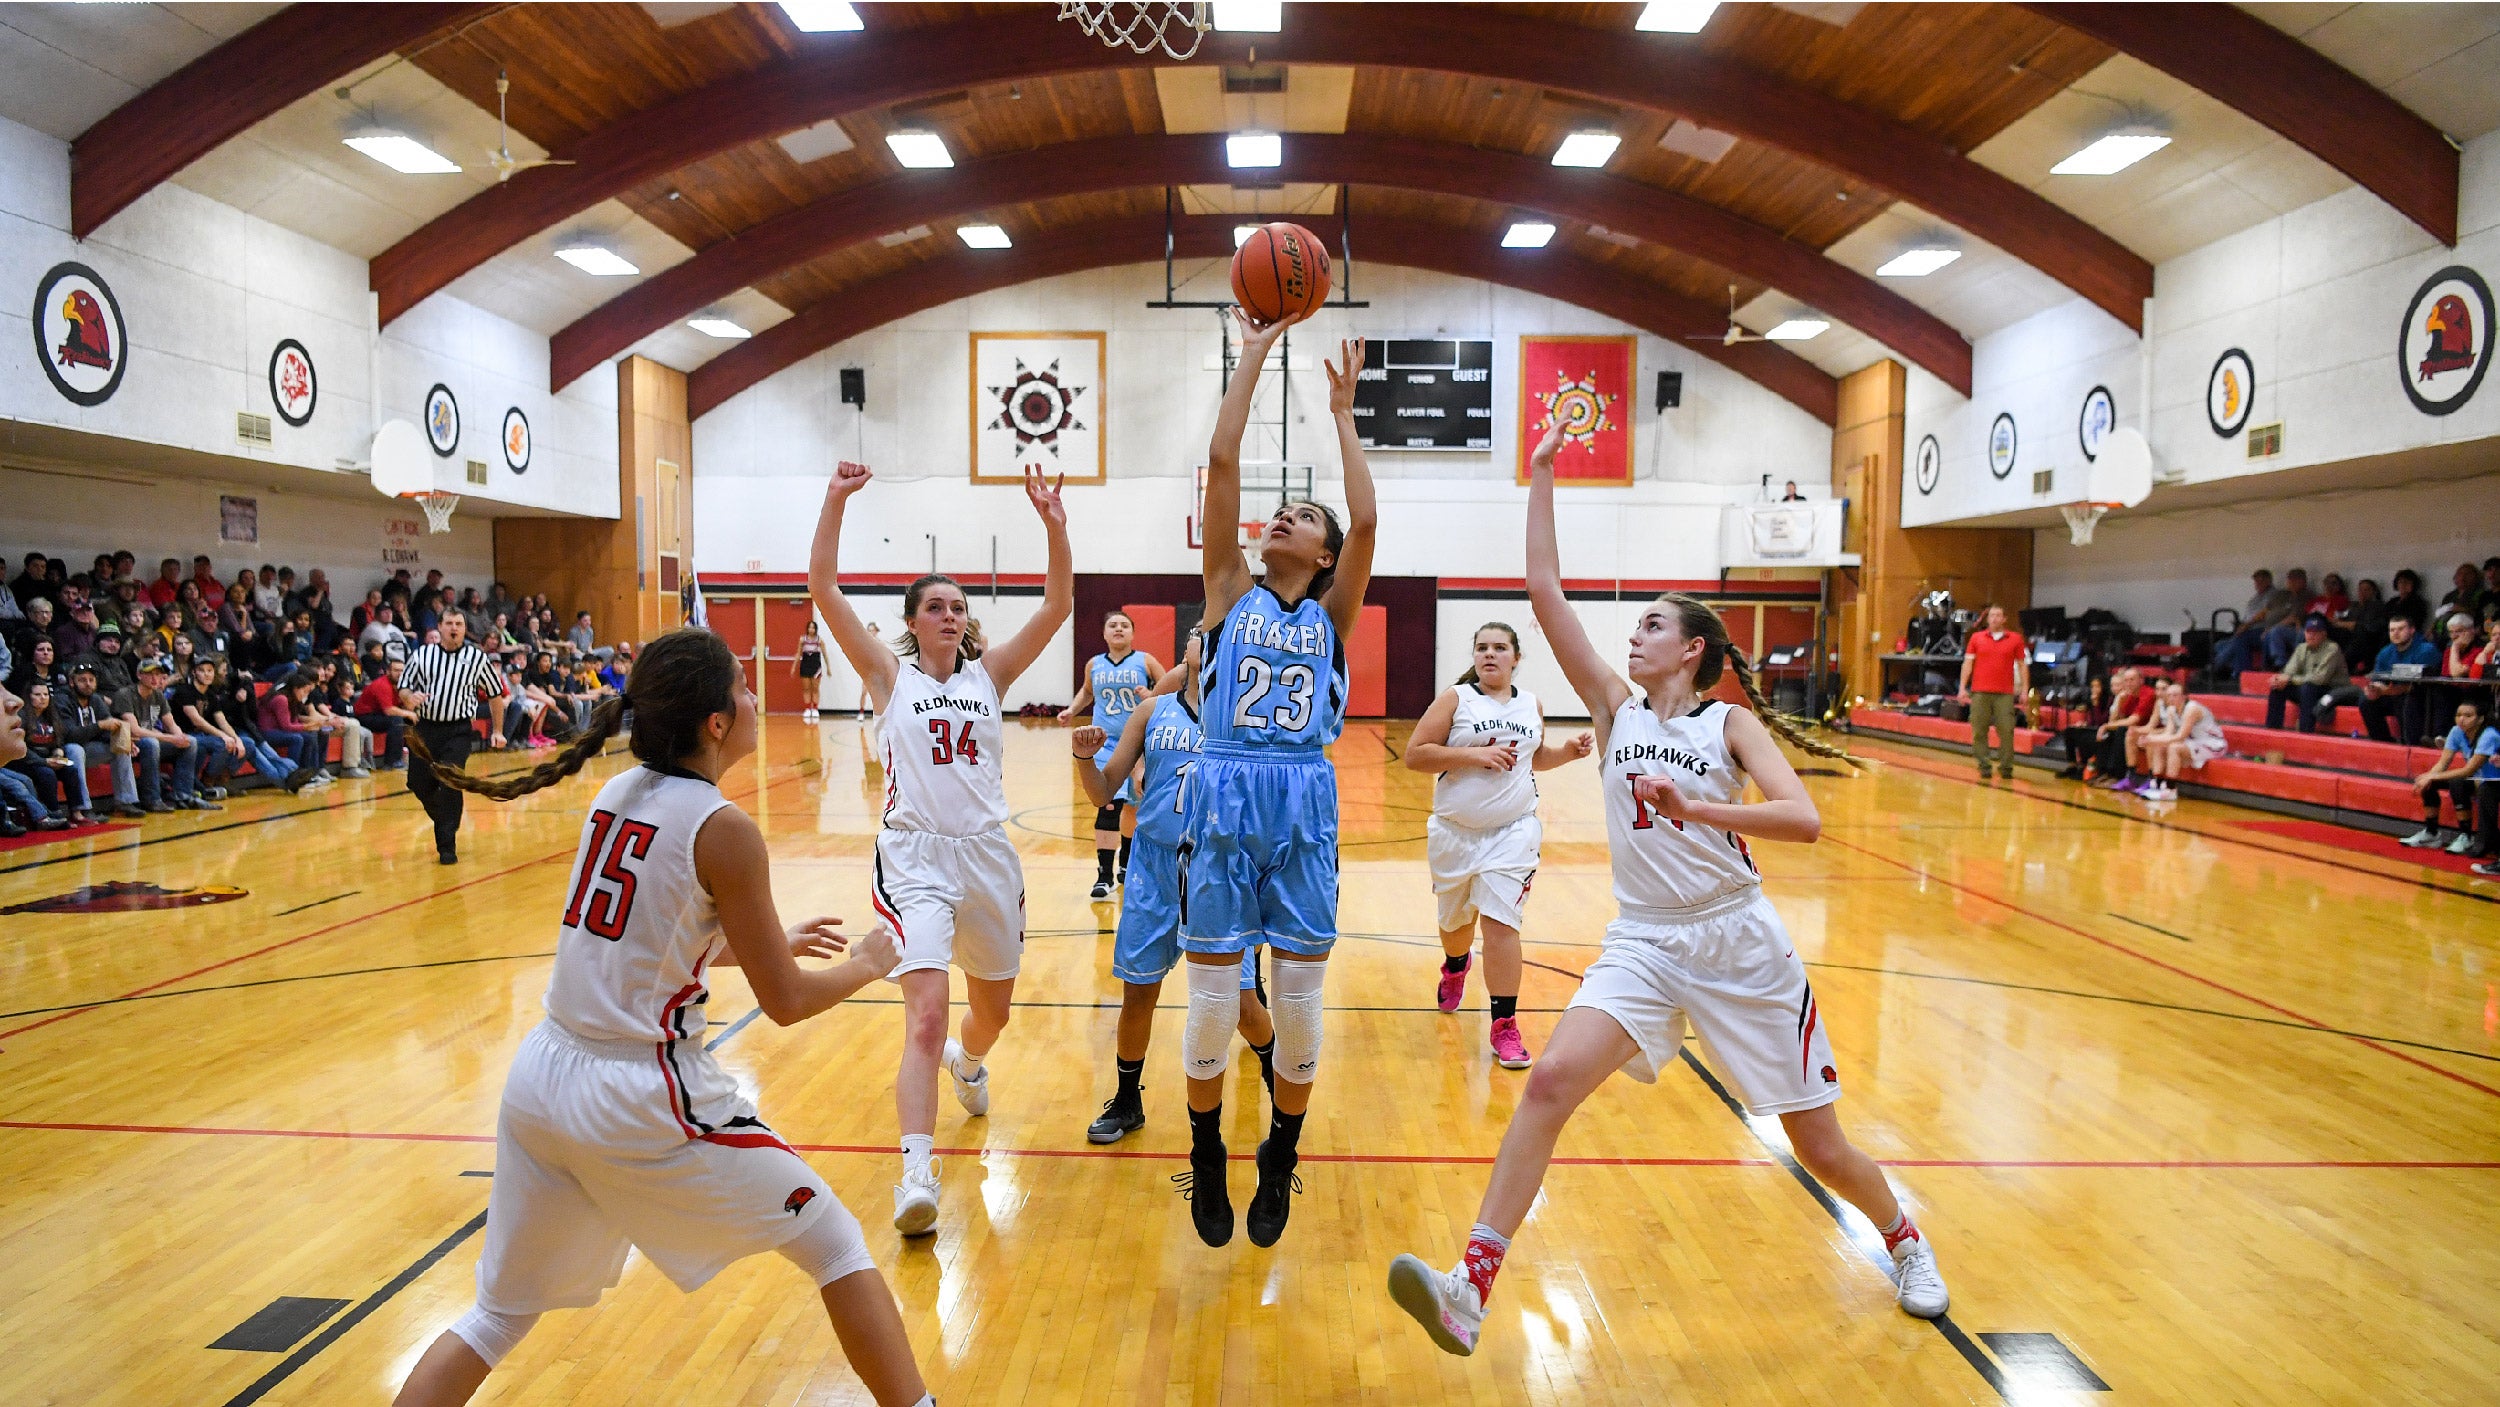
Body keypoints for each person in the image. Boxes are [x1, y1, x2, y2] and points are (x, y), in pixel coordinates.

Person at [1385, 418, 1942, 1358]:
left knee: (1818, 1143)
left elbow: (1802, 819)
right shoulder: (1612, 707)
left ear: (1691, 650)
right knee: (1552, 1081)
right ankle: (1469, 1287)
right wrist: (1543, 474)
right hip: (1644, 937)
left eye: (1650, 624)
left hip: (1736, 939)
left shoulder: (1728, 725)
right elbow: (1543, 589)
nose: (1632, 634)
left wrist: (1697, 810)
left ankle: (1905, 1239)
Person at [389, 630, 935, 1407]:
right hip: (640, 1095)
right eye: (743, 688)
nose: (752, 699)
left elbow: (644, 944)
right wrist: (867, 964)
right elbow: (785, 1004)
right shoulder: (725, 829)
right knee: (836, 1240)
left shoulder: (616, 795)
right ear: (716, 722)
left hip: (543, 1078)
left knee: (495, 1316)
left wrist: (764, 944)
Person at [807, 460, 1071, 1237]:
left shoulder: (990, 674)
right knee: (923, 1015)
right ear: (913, 620)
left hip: (987, 857)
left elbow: (1057, 604)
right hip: (915, 858)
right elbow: (823, 585)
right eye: (937, 606)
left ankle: (971, 1059)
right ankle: (915, 1174)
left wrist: (1054, 524)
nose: (952, 614)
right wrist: (835, 500)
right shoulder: (889, 675)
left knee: (992, 1014)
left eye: (959, 606)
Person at [1168, 310, 1376, 1251]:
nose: (1280, 516)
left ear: (1325, 555)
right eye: (1280, 512)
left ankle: (1281, 1150)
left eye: (1302, 518)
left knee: (1297, 999)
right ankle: (1207, 1146)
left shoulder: (1334, 612)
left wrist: (1343, 413)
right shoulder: (1225, 591)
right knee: (1213, 996)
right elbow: (1221, 464)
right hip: (1221, 789)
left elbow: (1366, 517)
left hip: (1302, 795)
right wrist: (1253, 350)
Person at [1068, 628, 1275, 1144]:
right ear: (1186, 651)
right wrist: (1082, 757)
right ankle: (1127, 1098)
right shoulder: (1151, 713)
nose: (1207, 650)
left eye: (1221, 642)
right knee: (1138, 993)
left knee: (1243, 1005)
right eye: (1200, 640)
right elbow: (1102, 792)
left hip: (1221, 869)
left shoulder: (1249, 720)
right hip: (1154, 867)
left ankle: (1280, 1077)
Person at [1405, 622, 1592, 1068]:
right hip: (1455, 833)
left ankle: (1504, 1024)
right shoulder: (1456, 699)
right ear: (1474, 656)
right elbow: (1416, 754)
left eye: (1500, 647)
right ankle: (1455, 965)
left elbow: (1533, 757)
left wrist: (1565, 751)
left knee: (1502, 924)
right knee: (1455, 926)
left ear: (1516, 657)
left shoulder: (1531, 704)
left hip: (1513, 831)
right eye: (1482, 647)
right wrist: (1472, 755)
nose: (1490, 654)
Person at [1060, 610, 1165, 899]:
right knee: (1107, 806)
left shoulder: (1145, 660)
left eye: (1124, 625)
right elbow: (1087, 691)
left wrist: (1151, 694)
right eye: (1112, 625)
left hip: (1138, 745)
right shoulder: (1094, 664)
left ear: (1133, 633)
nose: (1118, 629)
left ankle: (1125, 866)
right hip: (1104, 744)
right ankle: (1104, 875)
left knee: (1133, 808)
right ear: (1104, 634)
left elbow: (1170, 688)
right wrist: (1071, 709)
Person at [402, 612, 508, 864]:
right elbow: (404, 686)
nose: (454, 628)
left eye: (458, 624)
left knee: (450, 781)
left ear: (464, 629)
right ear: (439, 627)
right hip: (425, 728)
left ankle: (447, 845)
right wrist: (409, 698)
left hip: (458, 730)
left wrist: (497, 731)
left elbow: (495, 694)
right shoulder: (422, 655)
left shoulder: (476, 658)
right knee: (417, 782)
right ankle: (444, 819)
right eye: (449, 623)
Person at [2400, 699, 2498, 856]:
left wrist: (2432, 776)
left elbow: (2469, 770)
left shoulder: (2489, 735)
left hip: (2491, 781)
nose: (2461, 719)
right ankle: (2431, 833)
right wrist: (2428, 777)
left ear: (2480, 719)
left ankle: (2467, 836)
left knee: (2457, 782)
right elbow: (2443, 763)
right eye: (2458, 715)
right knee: (2430, 781)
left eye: (2468, 715)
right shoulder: (2456, 731)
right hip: (2476, 779)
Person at [112, 657, 210, 811]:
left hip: (151, 740)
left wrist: (180, 738)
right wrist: (170, 738)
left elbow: (171, 724)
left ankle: (182, 795)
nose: (155, 678)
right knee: (151, 743)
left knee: (190, 742)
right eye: (150, 674)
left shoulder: (158, 696)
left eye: (158, 675)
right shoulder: (125, 694)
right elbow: (135, 730)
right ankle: (152, 799)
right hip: (128, 743)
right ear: (139, 675)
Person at [2342, 614, 2441, 746]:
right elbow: (2379, 678)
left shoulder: (2426, 650)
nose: (2396, 633)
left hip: (2421, 696)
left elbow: (2423, 682)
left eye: (2400, 629)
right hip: (2392, 693)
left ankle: (2411, 744)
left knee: (2407, 700)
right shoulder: (2385, 652)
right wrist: (2374, 688)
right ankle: (2382, 742)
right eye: (2392, 630)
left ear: (2412, 630)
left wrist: (2389, 691)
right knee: (2366, 701)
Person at [1957, 603, 2028, 781]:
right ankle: (1984, 765)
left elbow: (2022, 665)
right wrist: (1962, 688)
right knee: (1979, 730)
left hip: (2004, 693)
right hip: (1980, 692)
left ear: (2004, 619)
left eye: (1998, 615)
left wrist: (2025, 689)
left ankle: (2006, 767)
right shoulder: (1976, 638)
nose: (1995, 618)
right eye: (1992, 615)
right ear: (1987, 619)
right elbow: (1968, 664)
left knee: (2006, 730)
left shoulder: (2015, 639)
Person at [2134, 681, 2225, 802]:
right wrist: (2150, 740)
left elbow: (2180, 736)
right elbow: (2168, 733)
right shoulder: (2172, 710)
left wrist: (2153, 739)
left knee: (2174, 747)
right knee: (2159, 746)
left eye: (2175, 695)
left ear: (2184, 696)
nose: (2171, 698)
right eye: (2169, 695)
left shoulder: (2192, 709)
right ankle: (2156, 784)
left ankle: (2171, 790)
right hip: (2193, 743)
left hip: (2213, 744)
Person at [2266, 615, 2350, 733]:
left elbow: (2320, 678)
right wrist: (2280, 679)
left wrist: (2290, 679)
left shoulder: (2332, 648)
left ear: (2324, 634)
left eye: (2316, 632)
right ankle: (2272, 729)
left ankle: (2305, 731)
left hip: (2333, 691)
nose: (2311, 635)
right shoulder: (2301, 648)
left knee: (2308, 688)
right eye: (2308, 631)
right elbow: (2289, 671)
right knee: (2278, 687)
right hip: (2311, 687)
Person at [2211, 569, 2294, 680]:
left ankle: (2230, 671)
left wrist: (2247, 625)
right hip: (2248, 629)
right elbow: (2248, 617)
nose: (2258, 584)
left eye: (2261, 581)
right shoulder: (2254, 598)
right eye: (2256, 581)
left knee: (2240, 639)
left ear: (2268, 581)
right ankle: (2228, 670)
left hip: (2261, 629)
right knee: (2220, 645)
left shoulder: (2273, 595)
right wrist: (2240, 624)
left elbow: (2263, 614)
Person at [2090, 668, 2157, 789]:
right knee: (2110, 733)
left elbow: (2133, 720)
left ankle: (2119, 775)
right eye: (2126, 680)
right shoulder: (2130, 696)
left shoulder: (2148, 693)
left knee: (2121, 730)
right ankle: (2104, 772)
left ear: (2141, 680)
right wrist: (2120, 700)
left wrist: (2106, 726)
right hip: (2137, 729)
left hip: (2150, 729)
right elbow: (2118, 718)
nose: (2129, 683)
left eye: (2132, 680)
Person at [2054, 674, 2110, 781]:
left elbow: (2103, 720)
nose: (2094, 689)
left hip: (2104, 730)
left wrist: (2096, 704)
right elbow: (2091, 720)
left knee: (2085, 737)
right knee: (2069, 731)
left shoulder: (2108, 700)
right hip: (2093, 728)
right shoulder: (2091, 700)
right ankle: (2072, 764)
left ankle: (2084, 765)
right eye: (2093, 686)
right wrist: (2083, 724)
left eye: (2097, 686)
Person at [796, 619, 826, 723]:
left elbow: (825, 654)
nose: (811, 629)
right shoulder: (802, 639)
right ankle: (808, 708)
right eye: (809, 627)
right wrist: (794, 666)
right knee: (806, 688)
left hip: (816, 666)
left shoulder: (819, 640)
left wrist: (828, 667)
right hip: (805, 664)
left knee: (815, 688)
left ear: (815, 629)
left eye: (813, 627)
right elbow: (798, 654)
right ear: (807, 629)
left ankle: (815, 708)